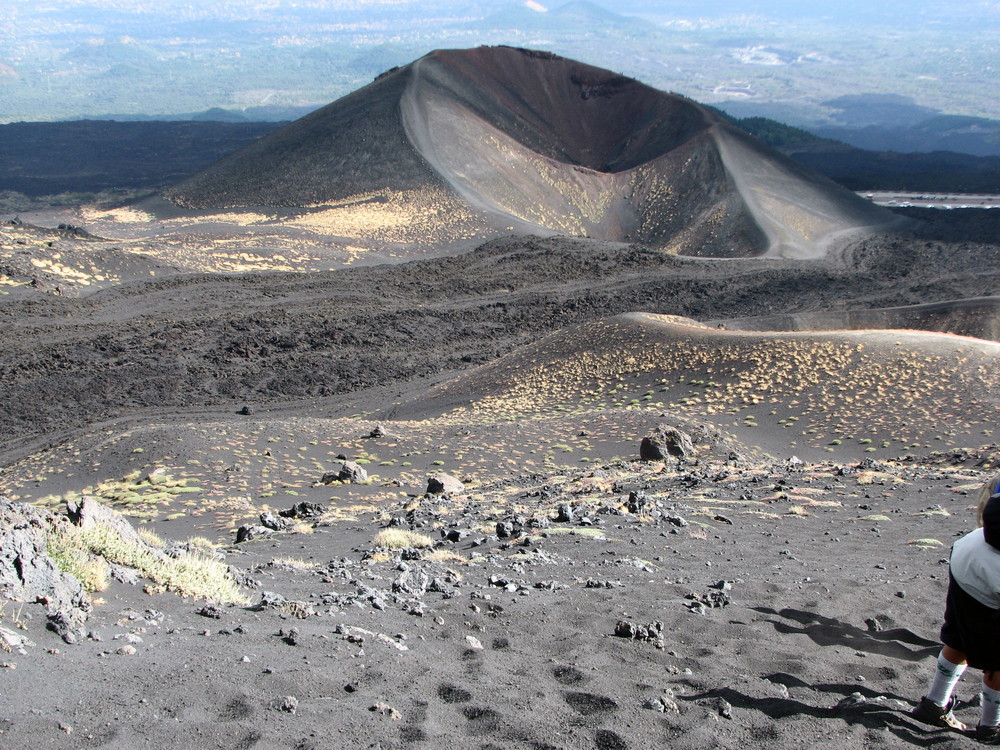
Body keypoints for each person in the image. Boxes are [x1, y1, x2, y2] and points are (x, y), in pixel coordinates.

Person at [912, 474, 1000, 741]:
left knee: (959, 639)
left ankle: (934, 704)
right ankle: (990, 727)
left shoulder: (974, 536)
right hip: (991, 582)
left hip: (967, 561)